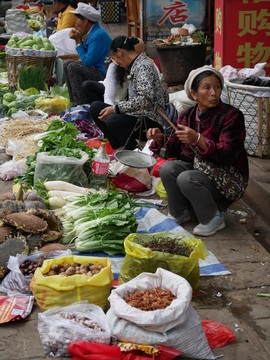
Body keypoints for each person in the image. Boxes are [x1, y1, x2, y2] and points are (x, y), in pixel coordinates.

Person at [147, 65, 249, 237]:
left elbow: (228, 153)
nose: (214, 93)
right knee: (168, 169)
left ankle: (213, 218)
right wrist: (160, 139)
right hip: (198, 169)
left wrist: (198, 139)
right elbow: (174, 147)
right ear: (194, 94)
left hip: (228, 176)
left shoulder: (232, 116)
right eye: (207, 88)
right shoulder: (186, 116)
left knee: (186, 177)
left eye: (217, 87)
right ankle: (180, 212)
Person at [88, 36, 174, 150]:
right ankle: (118, 147)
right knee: (95, 108)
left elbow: (145, 100)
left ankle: (132, 152)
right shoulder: (135, 66)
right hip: (136, 115)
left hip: (151, 120)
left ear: (120, 52)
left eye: (115, 59)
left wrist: (115, 109)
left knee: (113, 120)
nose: (117, 63)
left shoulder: (144, 66)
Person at [63, 2, 112, 105]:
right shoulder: (92, 32)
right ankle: (74, 101)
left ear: (85, 20)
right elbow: (86, 53)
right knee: (67, 63)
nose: (76, 23)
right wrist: (79, 39)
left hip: (103, 74)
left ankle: (81, 104)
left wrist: (77, 42)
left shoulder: (98, 35)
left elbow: (87, 62)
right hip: (96, 69)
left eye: (77, 19)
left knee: (73, 67)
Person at [81, 38, 145, 105]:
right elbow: (109, 95)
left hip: (128, 106)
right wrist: (111, 110)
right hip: (116, 100)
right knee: (88, 88)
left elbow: (137, 102)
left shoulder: (142, 68)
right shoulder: (115, 66)